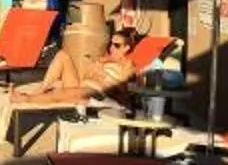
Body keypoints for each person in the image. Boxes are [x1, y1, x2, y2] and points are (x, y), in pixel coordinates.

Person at [12, 27, 149, 106]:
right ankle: (40, 90)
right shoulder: (104, 59)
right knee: (62, 55)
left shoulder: (127, 66)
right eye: (111, 44)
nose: (112, 48)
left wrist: (104, 77)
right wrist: (93, 70)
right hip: (82, 86)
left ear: (127, 48)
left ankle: (25, 99)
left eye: (117, 45)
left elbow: (124, 93)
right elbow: (85, 78)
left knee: (62, 93)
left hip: (97, 95)